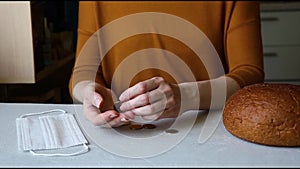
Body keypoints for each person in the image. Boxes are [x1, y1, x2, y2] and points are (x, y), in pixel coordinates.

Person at [69, 1, 264, 127]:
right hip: (124, 132)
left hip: (208, 130)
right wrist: (89, 94)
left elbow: (250, 73)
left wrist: (187, 96)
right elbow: (84, 72)